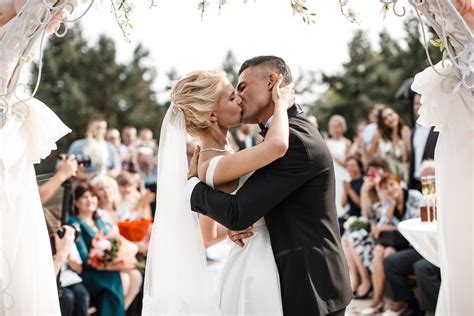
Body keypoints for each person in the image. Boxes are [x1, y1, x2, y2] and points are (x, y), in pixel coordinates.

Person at [187, 56, 352, 315]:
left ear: (272, 82)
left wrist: (193, 189)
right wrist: (233, 226)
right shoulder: (276, 139)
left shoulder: (294, 140)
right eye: (232, 95)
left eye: (241, 88)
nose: (239, 98)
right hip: (277, 275)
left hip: (309, 285)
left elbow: (239, 211)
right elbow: (247, 209)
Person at [361, 174, 422, 315]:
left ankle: (399, 302)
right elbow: (379, 229)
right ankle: (377, 301)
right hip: (399, 242)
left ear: (400, 183)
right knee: (379, 251)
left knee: (388, 253)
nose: (389, 189)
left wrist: (389, 228)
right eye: (385, 188)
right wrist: (392, 205)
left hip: (413, 243)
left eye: (392, 184)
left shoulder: (414, 196)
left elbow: (414, 225)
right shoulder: (389, 203)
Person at [69, 183, 128, 316]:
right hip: (86, 273)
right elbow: (84, 259)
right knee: (112, 280)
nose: (90, 200)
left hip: (103, 270)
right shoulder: (74, 223)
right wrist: (105, 262)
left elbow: (114, 243)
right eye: (84, 197)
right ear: (76, 202)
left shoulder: (99, 221)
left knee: (114, 281)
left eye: (92, 196)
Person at [365, 107, 411, 185]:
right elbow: (369, 158)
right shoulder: (378, 135)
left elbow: (409, 157)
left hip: (405, 179)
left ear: (396, 115)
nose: (389, 119)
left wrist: (402, 135)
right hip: (385, 180)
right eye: (385, 118)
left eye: (391, 114)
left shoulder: (405, 131)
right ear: (382, 122)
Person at [407, 92, 438, 192]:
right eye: (416, 104)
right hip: (415, 183)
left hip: (433, 181)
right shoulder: (413, 131)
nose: (419, 107)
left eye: (422, 103)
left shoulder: (438, 128)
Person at [326, 114, 351, 218]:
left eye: (338, 126)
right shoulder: (326, 142)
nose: (335, 129)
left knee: (342, 205)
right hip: (329, 176)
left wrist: (331, 153)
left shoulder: (347, 143)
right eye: (333, 127)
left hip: (342, 177)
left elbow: (347, 163)